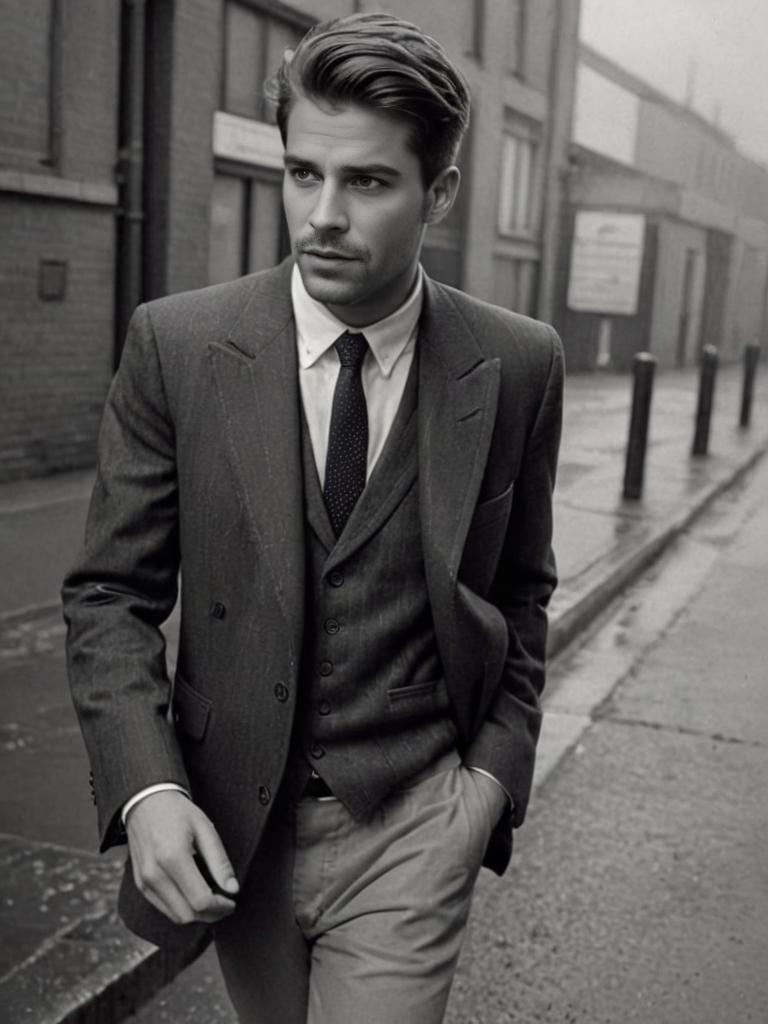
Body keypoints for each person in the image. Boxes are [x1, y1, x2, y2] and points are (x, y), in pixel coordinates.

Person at [62, 12, 563, 1023]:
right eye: (302, 173)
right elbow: (110, 596)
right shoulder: (179, 345)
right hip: (234, 814)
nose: (321, 215)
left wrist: (488, 786)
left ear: (441, 193)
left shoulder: (516, 362)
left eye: (368, 182)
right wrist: (148, 791)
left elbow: (522, 590)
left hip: (415, 816)